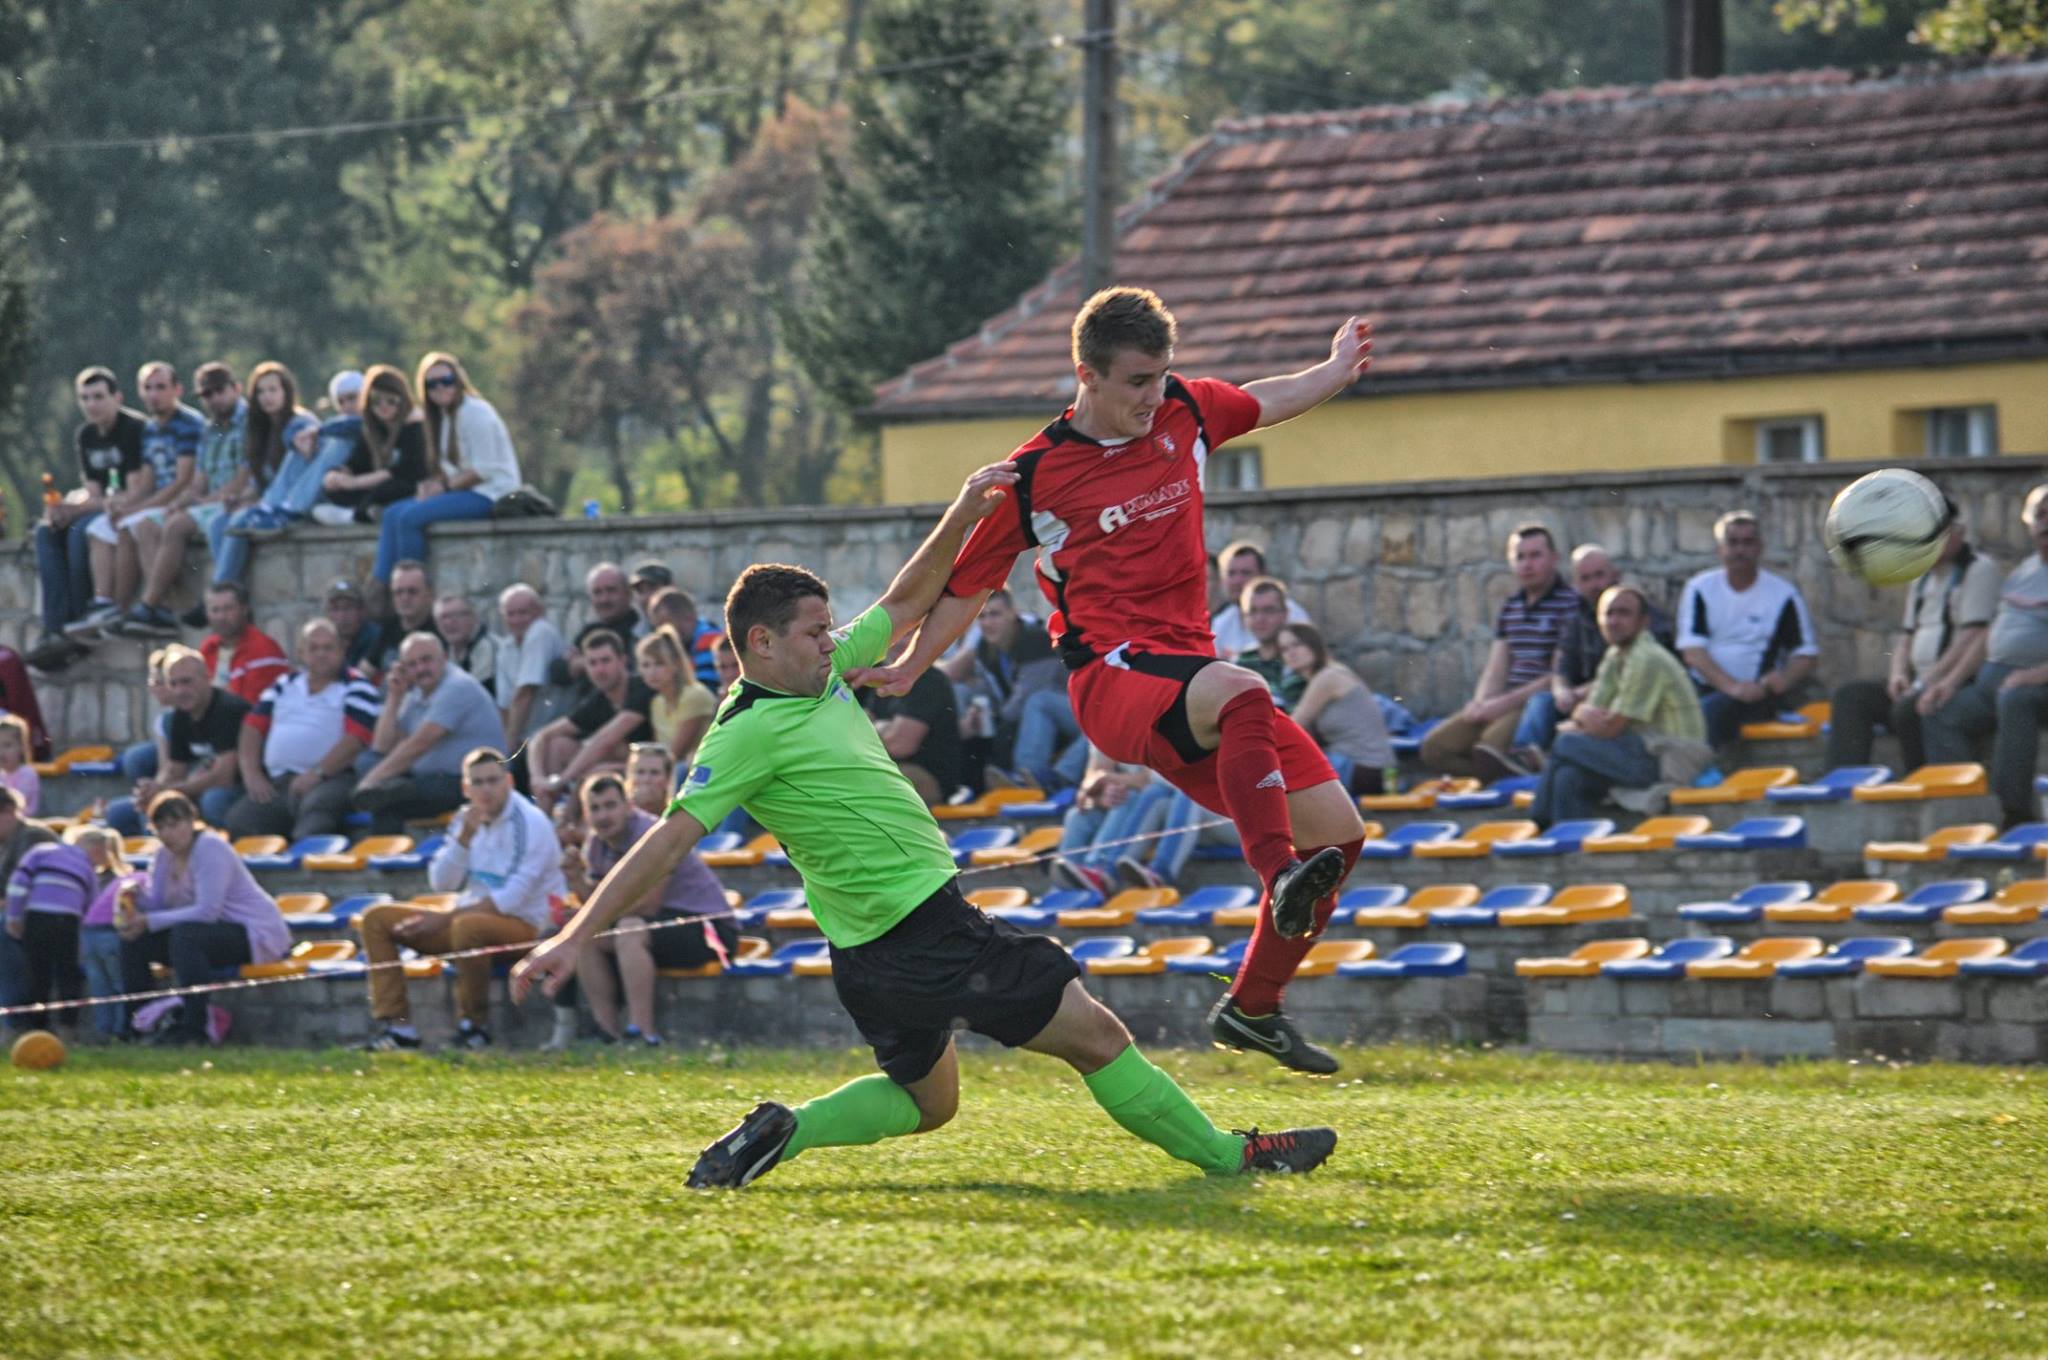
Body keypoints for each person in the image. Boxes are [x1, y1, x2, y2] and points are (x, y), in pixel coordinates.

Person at [512, 465, 1336, 1186]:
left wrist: (965, 511)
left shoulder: (819, 672)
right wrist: (576, 935)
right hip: (921, 931)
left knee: (927, 1103)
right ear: (759, 645)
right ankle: (1235, 1158)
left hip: (868, 954)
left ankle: (785, 1130)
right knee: (1096, 1034)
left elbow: (906, 600)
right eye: (811, 633)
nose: (830, 643)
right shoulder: (743, 733)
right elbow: (667, 839)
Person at [870, 288, 1372, 1073]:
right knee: (1244, 692)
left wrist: (1334, 372)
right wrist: (909, 665)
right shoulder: (1034, 476)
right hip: (1114, 681)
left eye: (1163, 375)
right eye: (1138, 381)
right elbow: (968, 588)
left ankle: (1254, 1006)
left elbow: (1263, 400)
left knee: (1339, 835)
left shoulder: (1185, 412)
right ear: (1087, 375)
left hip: (1194, 686)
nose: (1154, 394)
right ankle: (1277, 874)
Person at [359, 749, 563, 1050]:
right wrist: (464, 838)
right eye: (477, 783)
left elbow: (511, 899)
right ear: (466, 788)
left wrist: (441, 919)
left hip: (529, 927)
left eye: (493, 780)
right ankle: (399, 1029)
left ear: (508, 781)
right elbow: (441, 882)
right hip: (468, 918)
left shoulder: (531, 823)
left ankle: (474, 1027)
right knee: (376, 919)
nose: (486, 790)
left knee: (468, 927)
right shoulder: (464, 819)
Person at [1826, 506, 1998, 772]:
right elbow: (1906, 635)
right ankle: (1844, 779)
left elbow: (1972, 635)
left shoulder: (1979, 569)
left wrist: (1927, 682)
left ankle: (1918, 781)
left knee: (1908, 710)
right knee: (1851, 696)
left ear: (1957, 531)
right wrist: (1897, 674)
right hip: (1918, 680)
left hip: (1955, 682)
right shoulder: (1921, 575)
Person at [568, 772, 735, 1046]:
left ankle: (643, 1033)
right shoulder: (595, 845)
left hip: (712, 929)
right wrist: (575, 879)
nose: (603, 816)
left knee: (629, 927)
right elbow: (598, 905)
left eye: (610, 805)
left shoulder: (649, 833)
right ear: (586, 814)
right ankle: (606, 1032)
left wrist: (595, 916)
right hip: (661, 926)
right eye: (595, 808)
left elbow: (648, 904)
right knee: (586, 937)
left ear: (628, 806)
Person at [117, 791, 290, 1046]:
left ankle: (194, 1027)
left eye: (174, 825)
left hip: (253, 933)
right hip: (208, 933)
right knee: (135, 942)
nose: (167, 834)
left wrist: (149, 921)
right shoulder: (163, 855)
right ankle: (141, 1022)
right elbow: (159, 902)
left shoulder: (211, 847)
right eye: (160, 827)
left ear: (191, 821)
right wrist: (135, 897)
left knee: (185, 936)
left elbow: (207, 911)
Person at [1531, 584, 1710, 826]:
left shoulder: (1646, 657)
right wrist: (1582, 716)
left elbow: (1609, 728)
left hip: (1671, 759)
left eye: (1624, 613)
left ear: (1644, 622)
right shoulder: (1615, 657)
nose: (1614, 621)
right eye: (1608, 613)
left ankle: (1538, 822)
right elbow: (1592, 718)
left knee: (1566, 743)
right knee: (1568, 775)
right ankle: (1572, 852)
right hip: (1640, 751)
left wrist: (1579, 715)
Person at [1925, 484, 2048, 828]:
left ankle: (2013, 814)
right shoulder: (2024, 571)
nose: (2045, 524)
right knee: (1940, 710)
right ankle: (1967, 809)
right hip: (1995, 678)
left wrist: (2034, 675)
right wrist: (1947, 683)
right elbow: (1989, 633)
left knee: (2016, 700)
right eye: (2040, 515)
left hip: (2033, 683)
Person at [1421, 523, 1579, 781]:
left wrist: (1500, 705)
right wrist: (1481, 703)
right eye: (1520, 557)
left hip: (1537, 705)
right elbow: (1497, 666)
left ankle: (1504, 776)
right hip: (1504, 701)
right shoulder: (1511, 607)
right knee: (1434, 748)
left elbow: (1557, 674)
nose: (1527, 564)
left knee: (1488, 751)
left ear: (1554, 558)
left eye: (1535, 555)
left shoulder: (1570, 604)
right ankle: (1497, 777)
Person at [118, 361, 248, 637]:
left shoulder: (247, 422)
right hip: (207, 502)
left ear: (236, 389)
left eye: (219, 391)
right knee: (147, 525)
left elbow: (244, 476)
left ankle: (148, 604)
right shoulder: (211, 428)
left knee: (177, 525)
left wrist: (200, 501)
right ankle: (161, 610)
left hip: (232, 502)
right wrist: (184, 500)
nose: (213, 399)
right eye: (207, 394)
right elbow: (198, 478)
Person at [29, 367, 145, 670]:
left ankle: (80, 617)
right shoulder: (86, 435)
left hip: (126, 507)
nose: (91, 404)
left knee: (82, 530)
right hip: (100, 505)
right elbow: (93, 491)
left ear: (116, 397)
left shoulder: (133, 429)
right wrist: (64, 509)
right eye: (84, 398)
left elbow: (132, 491)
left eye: (98, 397)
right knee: (46, 533)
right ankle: (54, 628)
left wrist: (75, 510)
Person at [366, 353, 519, 583]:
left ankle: (413, 587)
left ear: (458, 380)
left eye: (445, 381)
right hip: (462, 492)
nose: (439, 388)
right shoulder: (443, 418)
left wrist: (443, 487)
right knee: (391, 514)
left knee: (410, 518)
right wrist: (431, 487)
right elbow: (449, 470)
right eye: (431, 384)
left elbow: (484, 469)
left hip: (491, 493)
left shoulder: (475, 412)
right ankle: (383, 587)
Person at [1676, 510, 1821, 749]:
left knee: (1713, 712)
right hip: (1705, 689)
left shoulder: (1783, 594)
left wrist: (1783, 679)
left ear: (1760, 548)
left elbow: (1805, 654)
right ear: (1720, 549)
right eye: (1733, 542)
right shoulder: (1700, 588)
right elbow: (1693, 651)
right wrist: (1732, 688)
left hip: (1759, 694)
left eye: (1748, 542)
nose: (1740, 550)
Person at [78, 362, 202, 636]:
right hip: (159, 500)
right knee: (122, 524)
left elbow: (182, 480)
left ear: (177, 389)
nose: (153, 394)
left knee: (141, 524)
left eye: (160, 387)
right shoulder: (152, 429)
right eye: (147, 388)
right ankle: (118, 609)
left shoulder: (188, 424)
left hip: (184, 500)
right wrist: (128, 505)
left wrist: (142, 507)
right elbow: (147, 480)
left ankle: (159, 608)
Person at [226, 619, 380, 840]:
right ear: (301, 652)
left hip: (332, 778)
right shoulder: (283, 683)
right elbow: (252, 727)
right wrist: (251, 774)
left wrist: (317, 773)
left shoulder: (357, 686)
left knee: (314, 818)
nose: (321, 654)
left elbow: (356, 739)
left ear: (342, 650)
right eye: (313, 648)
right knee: (240, 821)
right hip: (280, 782)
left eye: (328, 648)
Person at [351, 633, 507, 831]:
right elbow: (382, 747)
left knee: (388, 798)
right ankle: (389, 797)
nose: (421, 669)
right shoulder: (417, 692)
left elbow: (420, 744)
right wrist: (394, 697)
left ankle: (388, 850)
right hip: (425, 778)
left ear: (444, 658)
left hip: (469, 781)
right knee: (367, 762)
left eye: (426, 660)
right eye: (412, 664)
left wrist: (369, 782)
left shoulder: (457, 687)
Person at [1505, 543, 1636, 766]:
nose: (1594, 584)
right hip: (1581, 700)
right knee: (1542, 701)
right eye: (1585, 578)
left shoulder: (1634, 610)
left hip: (1618, 699)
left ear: (1614, 575)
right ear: (1576, 584)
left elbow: (1631, 672)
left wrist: (1580, 694)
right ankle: (1523, 759)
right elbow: (1562, 667)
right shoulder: (1576, 618)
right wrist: (1562, 691)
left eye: (1599, 575)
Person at [104, 647, 248, 837]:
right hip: (199, 785)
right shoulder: (180, 715)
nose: (180, 691)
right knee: (117, 813)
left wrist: (166, 791)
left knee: (213, 800)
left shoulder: (227, 709)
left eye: (187, 682)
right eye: (174, 684)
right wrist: (151, 791)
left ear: (207, 678)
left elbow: (223, 778)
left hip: (241, 790)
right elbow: (175, 770)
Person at [208, 361, 318, 588]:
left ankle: (221, 589)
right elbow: (262, 483)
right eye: (260, 391)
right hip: (267, 502)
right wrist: (241, 499)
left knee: (238, 521)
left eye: (273, 390)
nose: (266, 397)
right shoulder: (260, 429)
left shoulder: (301, 424)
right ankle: (232, 591)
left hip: (292, 506)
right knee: (217, 523)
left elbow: (296, 478)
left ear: (286, 392)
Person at [529, 631, 653, 806]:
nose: (599, 669)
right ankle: (546, 817)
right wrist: (538, 778)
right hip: (619, 766)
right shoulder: (598, 700)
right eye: (592, 663)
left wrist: (560, 781)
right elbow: (541, 736)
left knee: (596, 768)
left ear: (623, 661)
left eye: (605, 661)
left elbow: (604, 741)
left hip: (650, 767)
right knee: (558, 745)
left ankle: (567, 817)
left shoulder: (642, 688)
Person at [1278, 623, 1393, 793]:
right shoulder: (1328, 674)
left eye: (1297, 644)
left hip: (1365, 770)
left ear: (1313, 644)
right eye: (1284, 649)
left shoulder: (1328, 678)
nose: (1291, 653)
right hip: (1367, 768)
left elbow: (1293, 726)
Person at [1049, 750, 1179, 898]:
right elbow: (1093, 775)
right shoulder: (1103, 728)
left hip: (1159, 806)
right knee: (1078, 815)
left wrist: (1110, 780)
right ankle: (1062, 889)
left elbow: (1153, 779)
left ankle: (1099, 870)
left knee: (1127, 797)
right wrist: (1099, 795)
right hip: (1124, 804)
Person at [3, 832, 95, 1033]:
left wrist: (13, 917)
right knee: (68, 973)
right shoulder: (87, 865)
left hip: (38, 916)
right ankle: (68, 1027)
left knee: (36, 973)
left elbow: (18, 883)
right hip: (69, 920)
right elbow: (90, 902)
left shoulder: (40, 851)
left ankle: (37, 1026)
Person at [319, 364, 426, 529]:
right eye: (376, 401)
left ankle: (356, 515)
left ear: (402, 399)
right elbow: (356, 462)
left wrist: (355, 482)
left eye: (391, 401)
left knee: (386, 490)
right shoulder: (372, 429)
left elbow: (404, 470)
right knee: (334, 490)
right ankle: (362, 512)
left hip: (407, 484)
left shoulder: (414, 426)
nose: (384, 406)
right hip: (374, 485)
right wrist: (336, 474)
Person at [864, 644, 964, 805]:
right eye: (899, 632)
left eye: (910, 633)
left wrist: (873, 728)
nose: (902, 640)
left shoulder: (930, 680)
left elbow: (899, 745)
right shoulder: (881, 678)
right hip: (894, 768)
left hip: (931, 783)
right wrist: (882, 729)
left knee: (873, 778)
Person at [74, 828, 138, 1042]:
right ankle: (120, 1031)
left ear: (96, 850)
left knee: (101, 989)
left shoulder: (95, 879)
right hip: (108, 936)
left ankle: (106, 1032)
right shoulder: (128, 878)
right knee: (118, 986)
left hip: (94, 935)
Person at [493, 583, 570, 743]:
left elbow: (525, 692)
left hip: (550, 734)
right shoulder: (505, 649)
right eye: (510, 614)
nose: (517, 620)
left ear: (539, 612)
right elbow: (505, 706)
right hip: (526, 736)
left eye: (523, 613)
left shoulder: (541, 631)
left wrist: (510, 746)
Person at [197, 582, 290, 707]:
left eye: (228, 608)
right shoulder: (207, 648)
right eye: (215, 610)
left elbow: (255, 712)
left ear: (244, 609)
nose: (221, 616)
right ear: (207, 614)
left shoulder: (264, 650)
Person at [1209, 541, 1308, 657]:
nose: (1237, 581)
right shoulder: (1222, 622)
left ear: (1263, 574)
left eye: (1245, 573)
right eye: (1231, 573)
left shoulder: (1293, 614)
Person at [636, 627, 716, 768]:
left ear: (675, 664)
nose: (652, 672)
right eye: (645, 665)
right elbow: (658, 754)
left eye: (659, 663)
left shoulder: (694, 695)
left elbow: (673, 755)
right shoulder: (657, 703)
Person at [1232, 578, 1308, 711]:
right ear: (1244, 617)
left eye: (1269, 610)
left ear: (1285, 614)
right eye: (1253, 611)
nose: (1260, 618)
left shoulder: (1298, 659)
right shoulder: (1240, 661)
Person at [369, 560, 440, 675]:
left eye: (412, 591)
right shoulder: (388, 628)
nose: (405, 597)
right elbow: (366, 669)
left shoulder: (441, 629)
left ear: (430, 593)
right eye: (398, 592)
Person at [646, 585, 721, 685]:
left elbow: (706, 685)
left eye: (664, 625)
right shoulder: (687, 641)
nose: (660, 634)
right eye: (657, 628)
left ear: (688, 619)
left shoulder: (709, 639)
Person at [432, 593, 497, 696]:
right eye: (444, 617)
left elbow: (475, 692)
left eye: (458, 615)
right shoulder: (445, 649)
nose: (450, 622)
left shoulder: (485, 645)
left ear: (473, 617)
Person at [325, 579, 386, 677]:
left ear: (361, 610)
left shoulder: (377, 640)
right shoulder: (324, 642)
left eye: (348, 608)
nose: (342, 616)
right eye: (335, 609)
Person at [0, 714, 40, 816]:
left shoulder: (27, 773)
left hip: (21, 824)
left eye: (7, 745)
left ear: (22, 747)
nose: (2, 752)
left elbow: (15, 802)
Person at [627, 742, 678, 814]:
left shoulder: (676, 814)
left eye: (654, 773)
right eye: (640, 772)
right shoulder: (622, 813)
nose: (646, 779)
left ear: (668, 778)